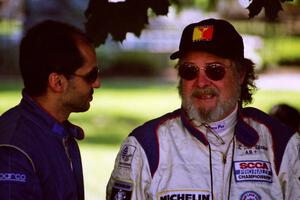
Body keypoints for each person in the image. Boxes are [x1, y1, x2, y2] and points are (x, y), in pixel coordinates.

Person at [106, 18, 300, 200]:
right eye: (189, 70)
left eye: (215, 70)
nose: (201, 82)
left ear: (240, 74)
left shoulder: (281, 144)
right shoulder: (146, 145)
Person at [0, 20, 100, 199]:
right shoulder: (13, 149)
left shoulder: (59, 133)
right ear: (57, 82)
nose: (97, 83)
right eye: (91, 76)